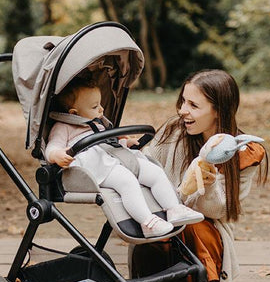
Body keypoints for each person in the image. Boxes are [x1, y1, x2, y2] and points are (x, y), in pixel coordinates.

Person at [132, 69, 267, 282]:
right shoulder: (173, 133)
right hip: (163, 219)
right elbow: (145, 167)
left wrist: (206, 181)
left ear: (218, 110)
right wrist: (130, 150)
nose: (183, 110)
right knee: (162, 231)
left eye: (193, 105)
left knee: (193, 225)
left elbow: (220, 211)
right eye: (183, 101)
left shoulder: (242, 153)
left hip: (206, 226)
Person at [45, 78, 202, 238]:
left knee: (155, 173)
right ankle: (147, 222)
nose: (101, 109)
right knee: (127, 182)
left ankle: (173, 209)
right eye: (94, 106)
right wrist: (56, 154)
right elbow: (53, 146)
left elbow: (109, 143)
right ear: (74, 113)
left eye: (100, 104)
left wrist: (126, 142)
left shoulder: (100, 124)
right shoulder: (64, 127)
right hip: (97, 166)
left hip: (118, 158)